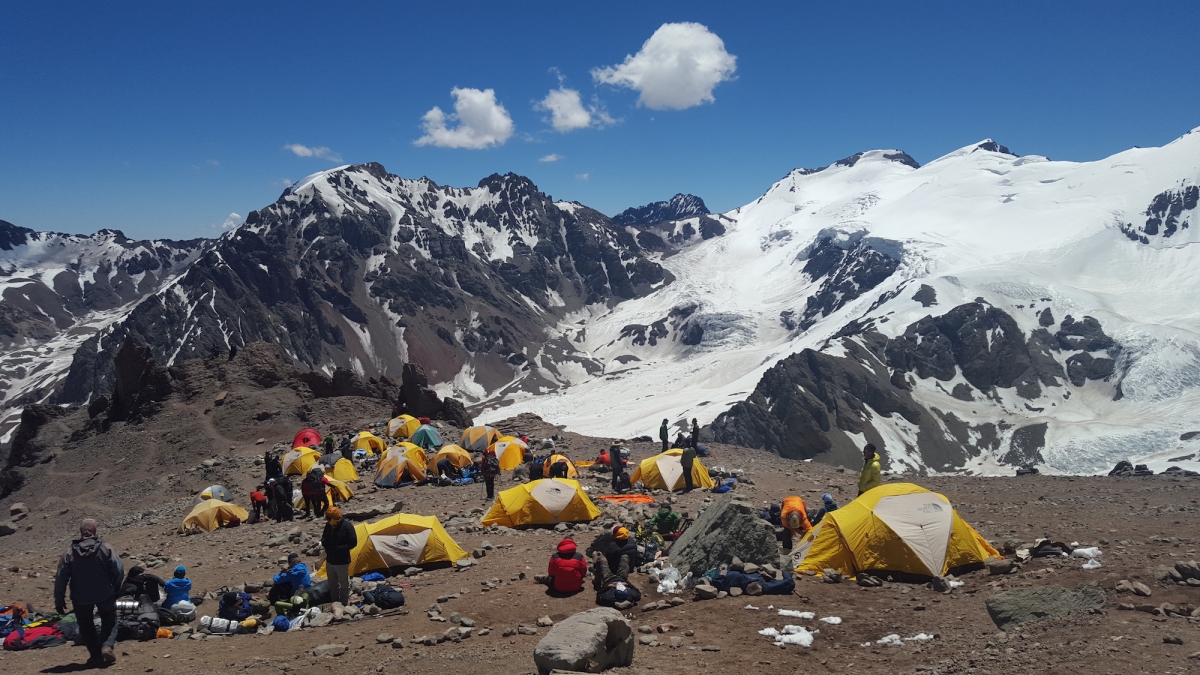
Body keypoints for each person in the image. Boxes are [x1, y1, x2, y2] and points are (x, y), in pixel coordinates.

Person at [54, 519, 123, 666]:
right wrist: (116, 587)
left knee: (86, 625)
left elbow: (61, 577)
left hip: (80, 597)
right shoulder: (105, 548)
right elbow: (118, 569)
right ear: (94, 531)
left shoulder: (70, 552)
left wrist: (59, 599)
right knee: (110, 620)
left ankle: (95, 655)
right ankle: (106, 646)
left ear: (81, 532)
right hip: (104, 592)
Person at [320, 507, 358, 606]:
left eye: (329, 518)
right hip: (330, 560)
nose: (327, 520)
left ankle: (344, 603)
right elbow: (324, 538)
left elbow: (353, 543)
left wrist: (338, 549)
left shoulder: (347, 526)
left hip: (342, 561)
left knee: (343, 583)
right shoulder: (329, 525)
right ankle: (334, 601)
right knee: (332, 582)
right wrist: (325, 544)